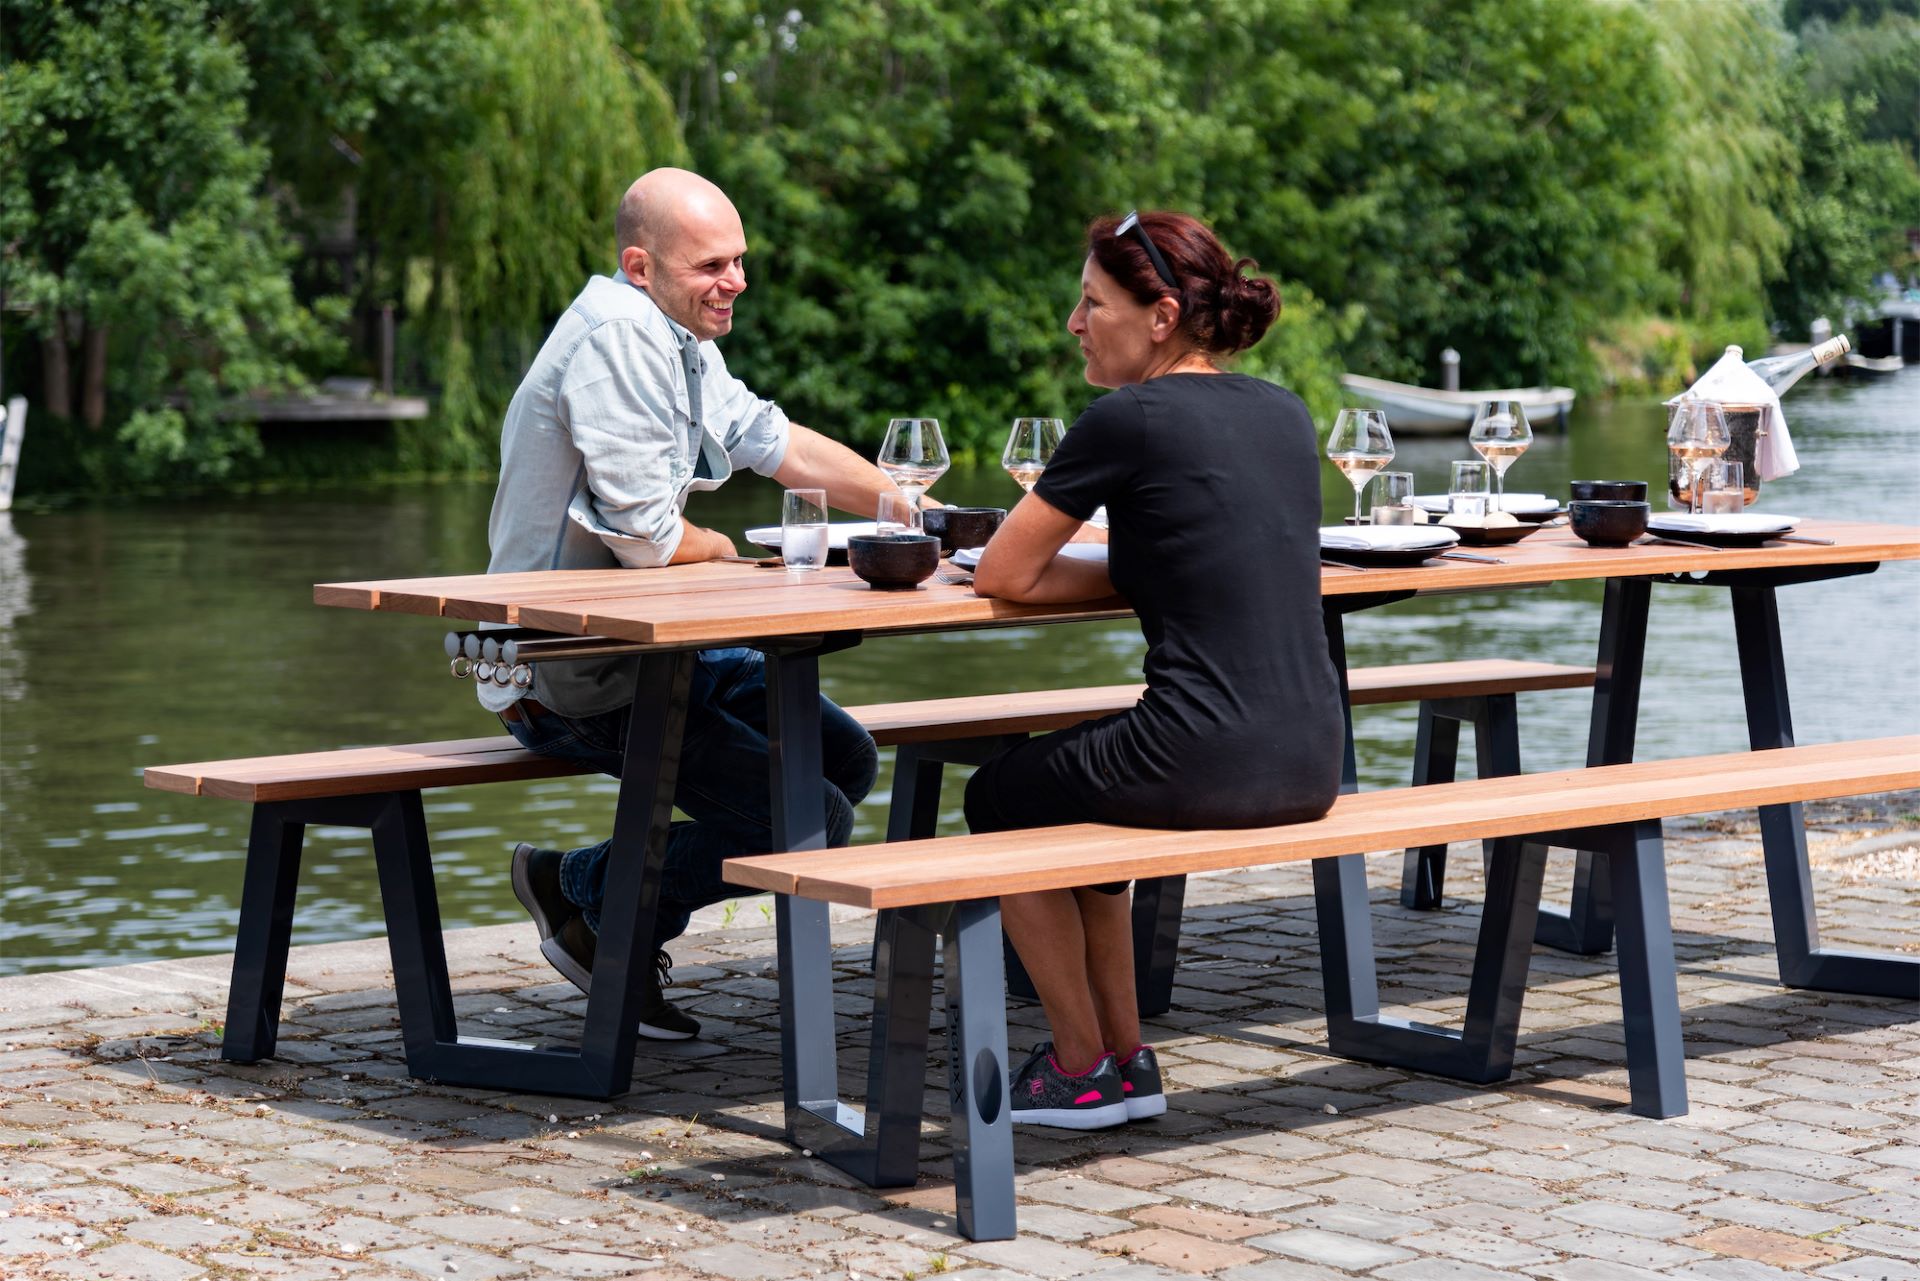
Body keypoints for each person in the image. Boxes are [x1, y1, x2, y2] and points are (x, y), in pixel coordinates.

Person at [485, 168, 907, 1039]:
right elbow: (652, 538)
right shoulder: (615, 339)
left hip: (665, 653)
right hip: (570, 670)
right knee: (810, 815)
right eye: (712, 264)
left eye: (741, 260)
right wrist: (730, 550)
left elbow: (771, 439)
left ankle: (600, 911)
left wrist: (907, 505)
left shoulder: (673, 334)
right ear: (641, 266)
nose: (737, 282)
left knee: (844, 757)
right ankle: (583, 886)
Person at [969, 210, 1344, 1127]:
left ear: (1162, 315)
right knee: (1084, 791)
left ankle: (1075, 1063)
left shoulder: (1126, 417)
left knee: (997, 798)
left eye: (1092, 302)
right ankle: (1126, 1058)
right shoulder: (1285, 412)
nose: (1074, 321)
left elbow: (1003, 573)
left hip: (1206, 753)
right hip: (1313, 757)